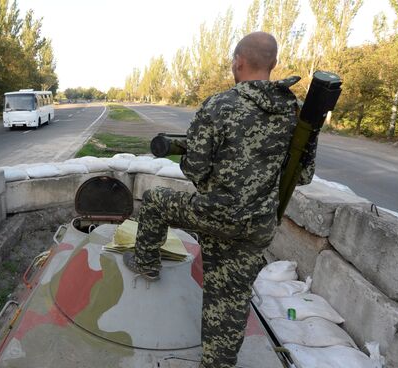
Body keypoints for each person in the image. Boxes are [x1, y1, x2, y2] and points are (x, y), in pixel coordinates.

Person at [123, 32, 316, 368]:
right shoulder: (297, 114)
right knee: (230, 299)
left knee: (155, 200)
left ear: (238, 62)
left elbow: (196, 170)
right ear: (272, 64)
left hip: (215, 214)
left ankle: (146, 265)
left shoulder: (219, 105)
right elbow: (302, 175)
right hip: (257, 226)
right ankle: (217, 362)